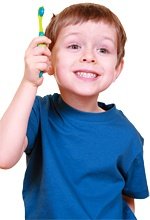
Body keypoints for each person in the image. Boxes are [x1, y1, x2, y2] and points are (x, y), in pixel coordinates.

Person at [0, 2, 149, 219]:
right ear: (48, 60)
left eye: (103, 49)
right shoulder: (37, 113)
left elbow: (127, 199)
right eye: (74, 46)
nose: (89, 56)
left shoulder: (128, 134)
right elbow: (4, 156)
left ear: (117, 68)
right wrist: (29, 83)